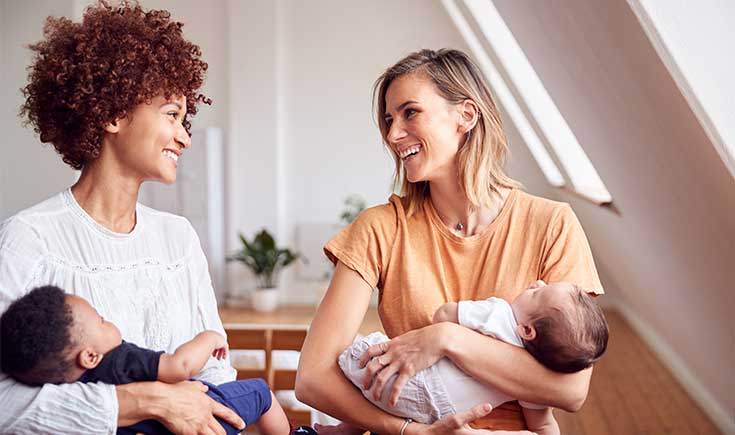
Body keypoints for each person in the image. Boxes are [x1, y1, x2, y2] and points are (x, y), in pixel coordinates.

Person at [296, 48, 604, 434]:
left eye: (410, 112)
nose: (392, 134)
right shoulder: (379, 228)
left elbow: (571, 388)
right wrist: (409, 431)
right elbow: (312, 377)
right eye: (389, 120)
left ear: (467, 115)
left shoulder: (552, 224)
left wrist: (446, 338)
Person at [0, 2, 245, 433]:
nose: (184, 137)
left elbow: (217, 370)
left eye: (186, 121)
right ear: (112, 113)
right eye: (172, 114)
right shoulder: (27, 238)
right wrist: (147, 401)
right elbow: (3, 401)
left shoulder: (178, 238)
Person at [1, 285, 290, 435]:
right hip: (205, 419)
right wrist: (210, 338)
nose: (109, 322)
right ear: (90, 355)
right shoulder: (118, 360)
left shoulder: (66, 386)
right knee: (262, 392)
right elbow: (181, 366)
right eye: (102, 321)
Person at [339, 281, 609, 435]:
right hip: (441, 417)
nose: (536, 283)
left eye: (536, 293)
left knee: (354, 355)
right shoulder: (533, 380)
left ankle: (340, 429)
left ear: (527, 330)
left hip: (414, 381)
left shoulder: (499, 314)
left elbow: (443, 315)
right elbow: (543, 424)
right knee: (377, 398)